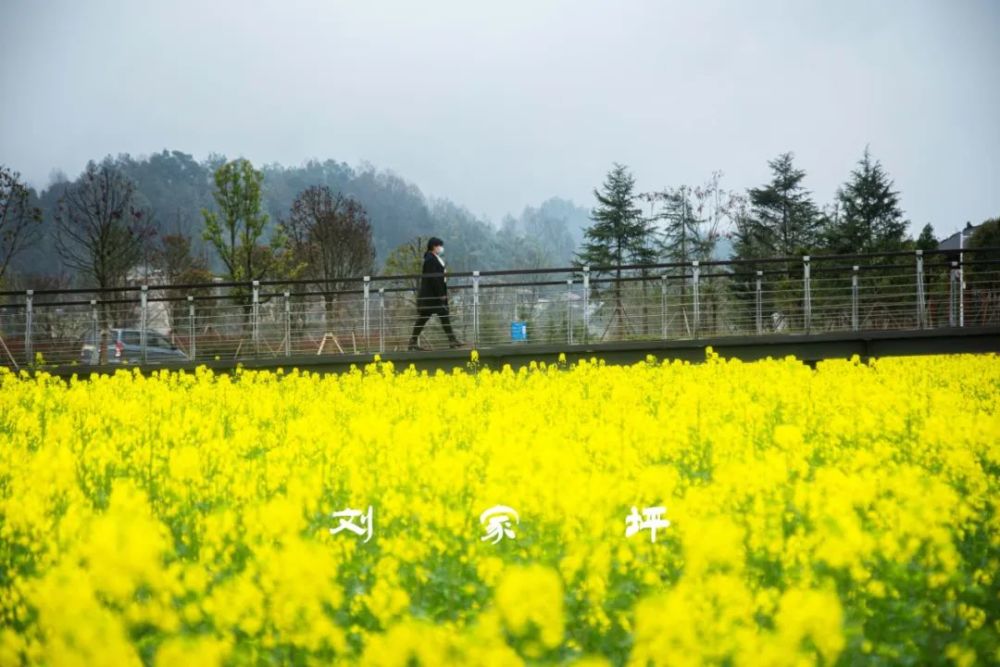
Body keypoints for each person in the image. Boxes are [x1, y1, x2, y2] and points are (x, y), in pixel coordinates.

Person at [408, 237, 463, 350]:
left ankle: (413, 341)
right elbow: (435, 278)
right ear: (434, 246)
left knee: (431, 316)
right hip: (432, 296)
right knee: (439, 315)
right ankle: (451, 340)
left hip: (431, 296)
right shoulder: (431, 259)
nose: (441, 248)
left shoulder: (432, 258)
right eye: (439, 246)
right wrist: (441, 294)